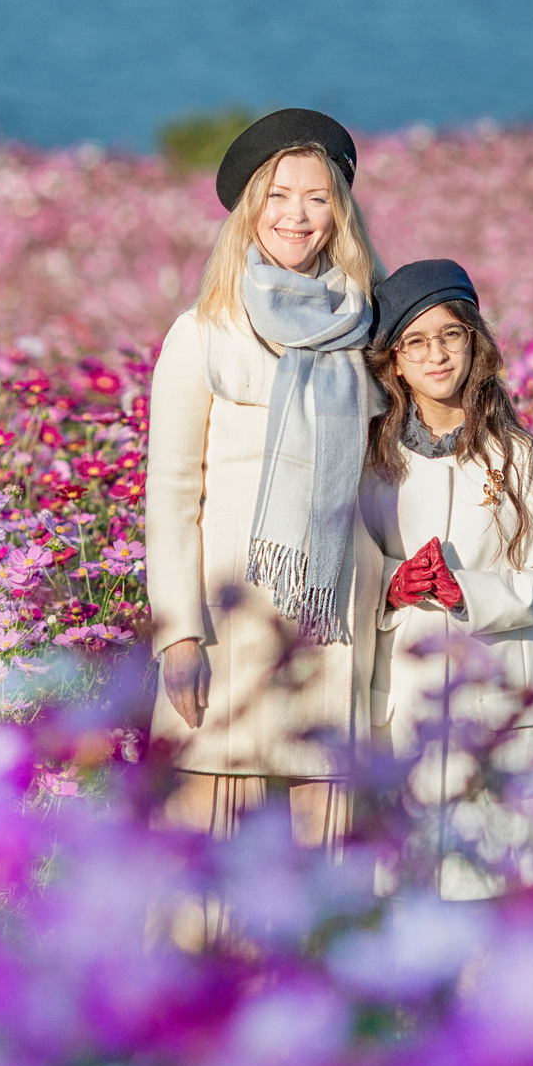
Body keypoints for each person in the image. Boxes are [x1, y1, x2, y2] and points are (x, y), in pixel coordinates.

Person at [144, 109, 386, 844]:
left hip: (334, 620)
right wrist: (178, 634)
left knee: (332, 845)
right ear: (251, 208)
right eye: (278, 195)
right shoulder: (203, 332)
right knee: (208, 840)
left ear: (338, 213)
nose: (296, 215)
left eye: (316, 197)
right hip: (231, 626)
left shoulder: (372, 330)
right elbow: (172, 496)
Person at [360, 260, 533, 897]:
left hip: (501, 696)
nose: (436, 355)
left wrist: (468, 592)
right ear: (393, 361)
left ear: (474, 343)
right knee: (413, 885)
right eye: (416, 341)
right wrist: (395, 584)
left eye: (451, 335)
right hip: (409, 696)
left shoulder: (515, 454)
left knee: (502, 890)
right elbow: (352, 565)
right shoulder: (375, 457)